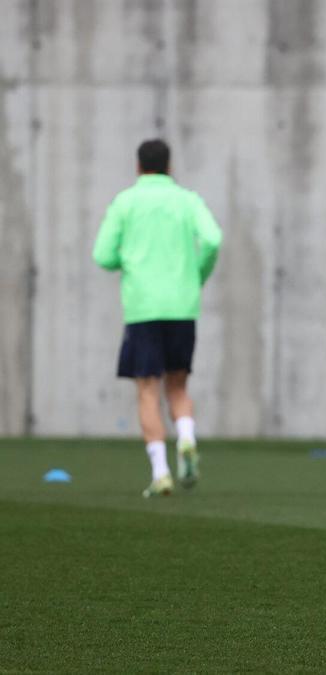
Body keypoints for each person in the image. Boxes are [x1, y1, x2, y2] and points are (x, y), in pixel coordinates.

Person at [92, 139, 223, 498]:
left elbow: (102, 255)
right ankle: (186, 436)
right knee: (178, 386)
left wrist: (130, 261)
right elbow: (212, 238)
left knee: (147, 390)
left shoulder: (126, 202)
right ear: (170, 165)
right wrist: (196, 274)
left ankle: (161, 471)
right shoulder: (186, 199)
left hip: (143, 307)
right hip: (182, 304)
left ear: (138, 166)